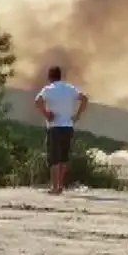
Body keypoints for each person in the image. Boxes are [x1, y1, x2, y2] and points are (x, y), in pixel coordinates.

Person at [34, 66, 89, 194]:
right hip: (68, 127)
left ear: (50, 77)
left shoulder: (48, 89)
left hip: (54, 127)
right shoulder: (69, 88)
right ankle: (60, 185)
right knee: (64, 158)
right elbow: (85, 98)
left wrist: (46, 114)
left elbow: (38, 101)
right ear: (60, 76)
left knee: (54, 158)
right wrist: (77, 115)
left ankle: (54, 187)